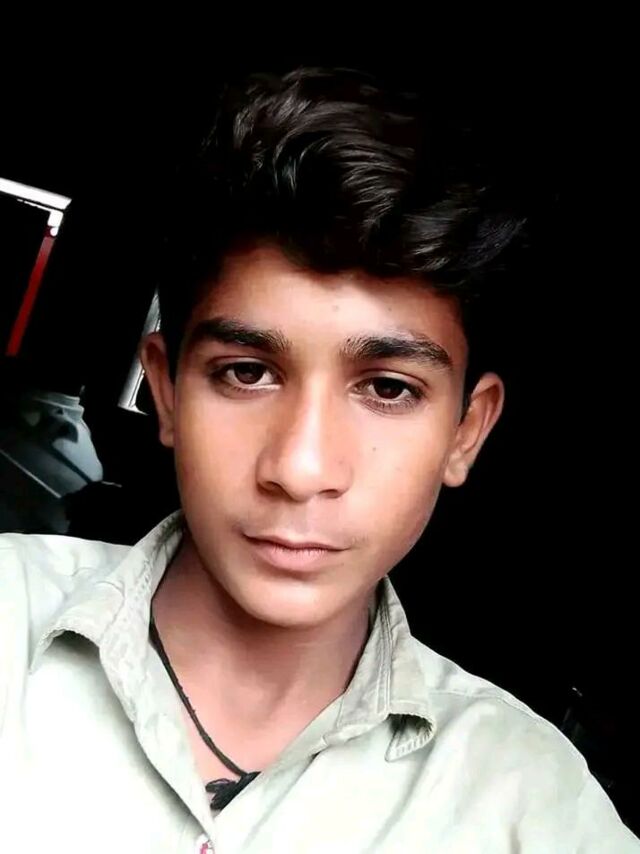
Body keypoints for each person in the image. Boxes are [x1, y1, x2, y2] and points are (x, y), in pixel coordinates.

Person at [1, 66, 637, 853]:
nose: (300, 469)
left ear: (466, 432)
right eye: (246, 373)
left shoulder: (537, 812)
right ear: (164, 393)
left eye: (389, 389)